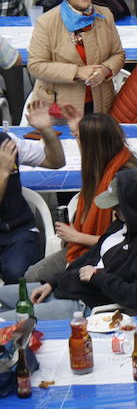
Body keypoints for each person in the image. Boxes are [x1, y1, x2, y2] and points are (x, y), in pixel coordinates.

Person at [5, 169, 137, 319]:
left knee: (6, 320)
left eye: (117, 206)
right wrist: (51, 283)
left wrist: (98, 277)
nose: (113, 210)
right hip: (64, 289)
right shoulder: (121, 224)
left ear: (134, 208)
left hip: (82, 306)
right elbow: (89, 257)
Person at [29, 0, 125, 114]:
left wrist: (106, 70)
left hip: (100, 103)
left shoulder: (105, 15)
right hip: (60, 107)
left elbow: (118, 54)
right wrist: (77, 72)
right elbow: (35, 65)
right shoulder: (47, 22)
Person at [53, 114, 137, 266]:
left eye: (79, 138)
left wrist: (75, 236)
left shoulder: (122, 180)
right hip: (88, 247)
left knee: (35, 276)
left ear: (93, 145)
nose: (76, 141)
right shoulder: (101, 168)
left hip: (108, 259)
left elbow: (120, 240)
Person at [0, 102, 64, 283]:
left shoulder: (6, 142)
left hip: (19, 230)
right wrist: (3, 173)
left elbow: (56, 161)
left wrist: (46, 130)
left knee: (18, 275)